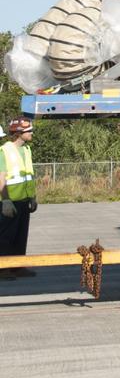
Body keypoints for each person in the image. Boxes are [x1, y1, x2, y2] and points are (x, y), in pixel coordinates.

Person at [0, 117, 38, 279]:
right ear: (18, 133)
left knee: (21, 236)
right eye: (28, 130)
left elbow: (27, 176)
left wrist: (32, 198)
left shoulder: (26, 150)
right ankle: (3, 269)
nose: (31, 133)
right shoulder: (4, 151)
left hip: (23, 201)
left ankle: (17, 267)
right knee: (6, 236)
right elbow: (1, 178)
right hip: (10, 202)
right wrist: (6, 200)